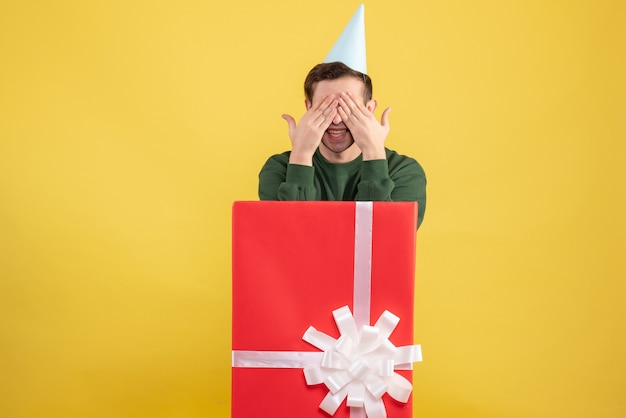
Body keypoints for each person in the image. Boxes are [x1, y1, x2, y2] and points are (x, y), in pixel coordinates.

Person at [258, 61, 427, 228]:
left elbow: (386, 242)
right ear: (309, 109)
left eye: (348, 108)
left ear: (369, 109)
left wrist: (373, 152)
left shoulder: (404, 172)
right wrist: (301, 154)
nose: (337, 119)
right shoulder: (279, 169)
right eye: (326, 107)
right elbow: (289, 240)